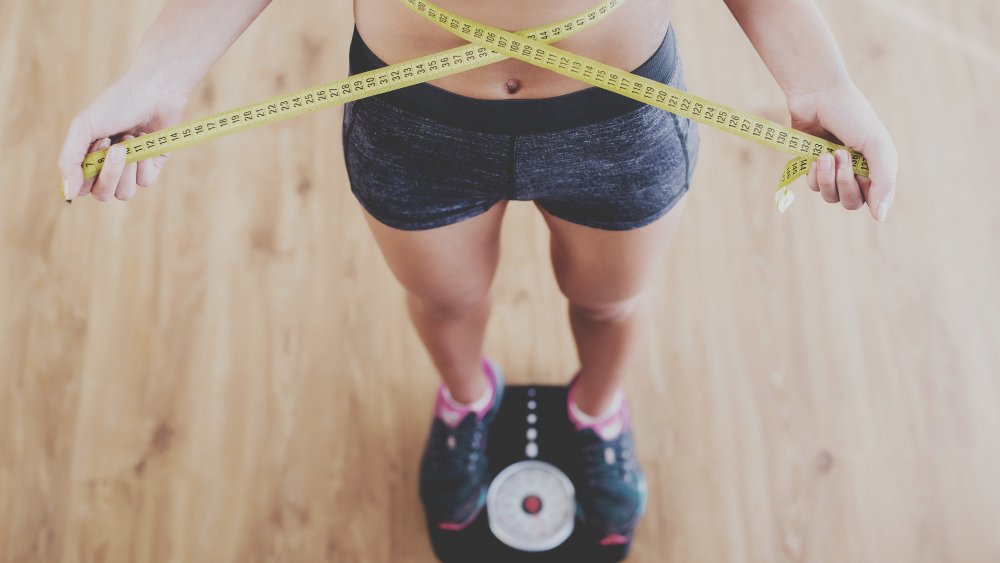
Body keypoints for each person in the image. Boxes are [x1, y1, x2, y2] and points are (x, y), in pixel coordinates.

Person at [57, 0, 897, 548]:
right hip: (414, 120)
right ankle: (465, 399)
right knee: (445, 298)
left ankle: (599, 414)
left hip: (618, 117)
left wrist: (822, 81)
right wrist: (155, 75)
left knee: (608, 303)